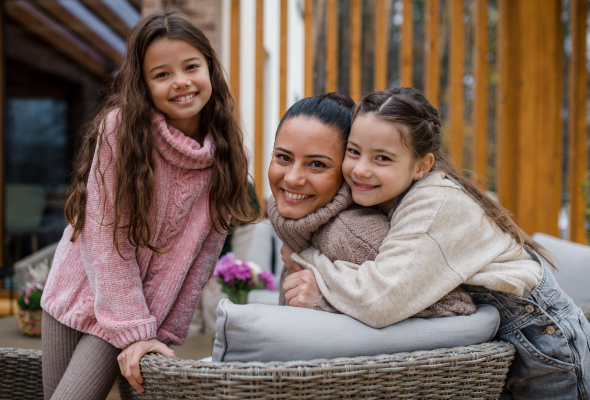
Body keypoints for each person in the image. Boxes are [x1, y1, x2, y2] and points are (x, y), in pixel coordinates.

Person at [283, 87, 590, 399]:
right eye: (353, 151)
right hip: (506, 339)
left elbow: (378, 299)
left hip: (543, 339)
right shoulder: (390, 194)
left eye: (382, 158)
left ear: (421, 166)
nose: (361, 169)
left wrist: (307, 256)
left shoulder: (434, 203)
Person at [40, 8, 257, 400]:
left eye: (191, 66)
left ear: (210, 67)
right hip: (75, 289)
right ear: (143, 84)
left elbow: (202, 259)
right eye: (161, 74)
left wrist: (160, 334)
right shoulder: (121, 130)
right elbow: (105, 236)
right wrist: (138, 330)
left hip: (138, 318)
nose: (181, 82)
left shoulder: (230, 155)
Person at [267, 92, 475, 318]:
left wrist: (322, 296)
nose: (292, 179)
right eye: (284, 158)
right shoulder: (305, 226)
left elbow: (455, 306)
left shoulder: (352, 233)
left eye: (317, 164)